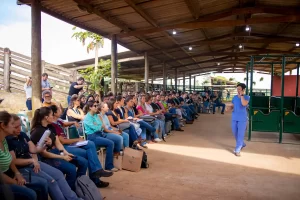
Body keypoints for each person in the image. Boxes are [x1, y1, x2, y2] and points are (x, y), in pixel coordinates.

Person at [6, 114, 82, 200]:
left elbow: (34, 150)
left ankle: (74, 198)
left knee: (59, 174)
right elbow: (14, 161)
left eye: (20, 125)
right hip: (22, 168)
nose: (19, 128)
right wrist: (32, 161)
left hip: (33, 163)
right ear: (10, 126)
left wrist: (45, 145)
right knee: (51, 181)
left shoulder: (22, 135)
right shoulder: (8, 140)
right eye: (16, 127)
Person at [50, 105, 113, 188]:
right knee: (89, 154)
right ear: (54, 113)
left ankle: (96, 173)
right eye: (59, 109)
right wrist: (78, 139)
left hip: (68, 145)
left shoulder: (58, 121)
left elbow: (65, 123)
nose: (61, 110)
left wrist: (73, 122)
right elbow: (63, 141)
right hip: (63, 147)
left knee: (90, 144)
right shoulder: (53, 125)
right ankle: (92, 180)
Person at [30, 107, 88, 190]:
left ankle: (79, 186)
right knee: (71, 169)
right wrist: (62, 157)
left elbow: (58, 143)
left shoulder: (51, 127)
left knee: (83, 162)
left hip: (56, 152)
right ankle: (70, 191)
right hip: (46, 158)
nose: (53, 117)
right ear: (46, 117)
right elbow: (44, 153)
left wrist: (65, 153)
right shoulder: (37, 132)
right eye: (51, 115)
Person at [0, 111, 39, 200]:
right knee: (30, 194)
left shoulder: (3, 140)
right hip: (3, 180)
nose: (15, 128)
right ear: (3, 125)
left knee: (41, 184)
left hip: (10, 174)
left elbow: (10, 160)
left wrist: (17, 173)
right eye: (12, 124)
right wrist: (14, 182)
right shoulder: (7, 139)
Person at [83, 101, 118, 172]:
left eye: (97, 106)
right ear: (90, 107)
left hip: (100, 134)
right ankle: (109, 166)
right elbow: (96, 127)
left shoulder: (96, 115)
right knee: (110, 143)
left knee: (114, 140)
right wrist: (98, 126)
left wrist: (97, 125)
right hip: (92, 137)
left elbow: (102, 126)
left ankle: (114, 161)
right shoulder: (87, 117)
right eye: (95, 106)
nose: (97, 107)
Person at [226, 83, 250, 157]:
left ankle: (237, 150)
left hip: (242, 118)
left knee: (240, 134)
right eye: (237, 89)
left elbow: (244, 104)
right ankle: (242, 144)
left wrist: (242, 96)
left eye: (239, 89)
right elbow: (233, 106)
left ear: (243, 89)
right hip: (234, 117)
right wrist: (228, 108)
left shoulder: (247, 97)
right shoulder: (235, 97)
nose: (238, 90)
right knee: (235, 132)